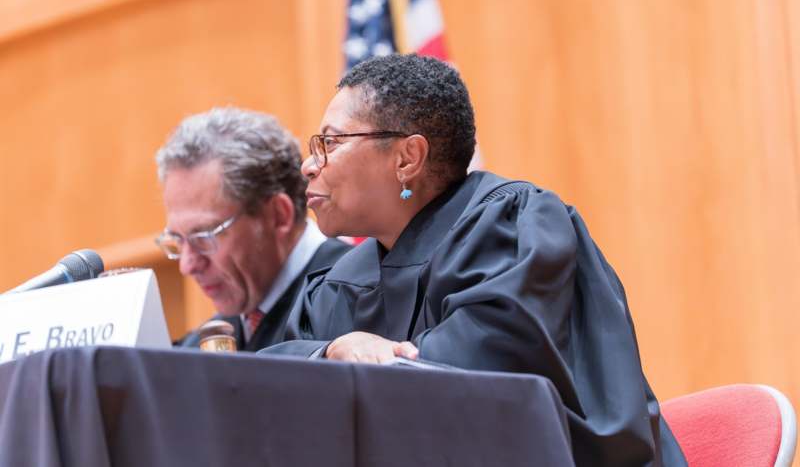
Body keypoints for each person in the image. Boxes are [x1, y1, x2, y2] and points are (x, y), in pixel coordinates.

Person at [263, 54, 686, 465]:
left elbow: (477, 386)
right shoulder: (338, 284)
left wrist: (364, 367)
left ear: (407, 158)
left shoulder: (512, 229)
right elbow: (268, 381)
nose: (308, 165)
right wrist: (334, 351)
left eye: (330, 142)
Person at [155, 107, 350, 352]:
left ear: (279, 215)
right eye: (177, 240)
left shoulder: (355, 294)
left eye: (204, 236)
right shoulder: (212, 337)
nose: (187, 265)